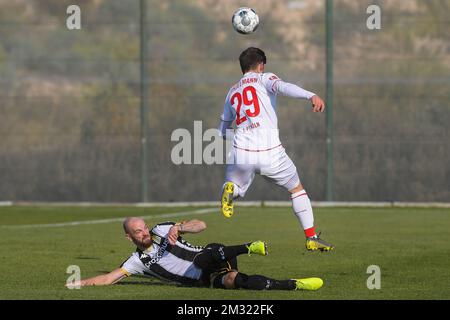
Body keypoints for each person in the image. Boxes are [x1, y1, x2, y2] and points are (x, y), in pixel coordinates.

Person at [219, 47, 334, 251]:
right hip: (270, 151)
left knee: (234, 186)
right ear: (261, 65)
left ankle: (231, 189)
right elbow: (284, 87)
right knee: (296, 189)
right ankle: (311, 237)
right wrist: (311, 95)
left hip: (242, 150)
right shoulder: (264, 78)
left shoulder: (232, 91)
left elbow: (223, 128)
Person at [67, 217, 323, 291]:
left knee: (207, 252)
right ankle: (294, 284)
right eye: (138, 231)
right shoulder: (137, 261)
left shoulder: (161, 230)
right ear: (129, 237)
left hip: (214, 255)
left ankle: (249, 247)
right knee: (237, 281)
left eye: (144, 227)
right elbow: (109, 278)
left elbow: (201, 225)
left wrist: (179, 228)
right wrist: (77, 283)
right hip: (203, 278)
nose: (144, 232)